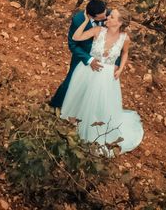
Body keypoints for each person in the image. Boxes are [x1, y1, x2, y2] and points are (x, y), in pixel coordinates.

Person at [60, 8, 143, 155]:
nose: (108, 18)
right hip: (88, 72)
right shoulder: (98, 30)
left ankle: (91, 131)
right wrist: (86, 21)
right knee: (82, 97)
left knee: (99, 103)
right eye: (109, 15)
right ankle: (74, 124)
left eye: (112, 17)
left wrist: (121, 68)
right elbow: (76, 37)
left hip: (106, 76)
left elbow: (125, 53)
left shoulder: (125, 38)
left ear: (120, 22)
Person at [50, 0, 118, 109]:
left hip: (103, 59)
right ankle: (55, 105)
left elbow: (118, 39)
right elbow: (73, 44)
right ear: (92, 16)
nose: (106, 16)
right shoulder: (78, 20)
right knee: (71, 81)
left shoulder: (108, 15)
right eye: (102, 16)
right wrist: (89, 59)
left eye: (105, 12)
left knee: (95, 87)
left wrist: (116, 63)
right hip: (83, 56)